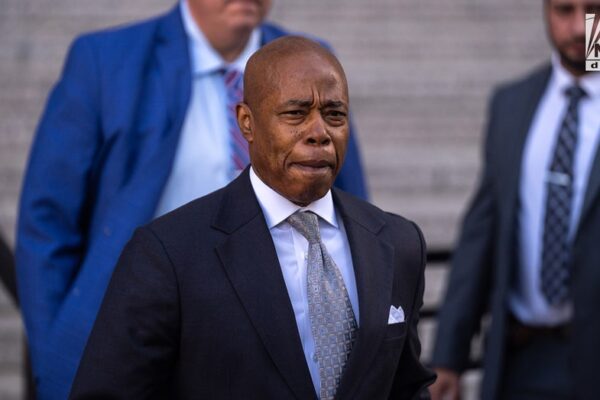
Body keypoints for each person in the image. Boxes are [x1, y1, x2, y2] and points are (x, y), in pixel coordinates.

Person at [16, 1, 367, 398]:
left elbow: (346, 204)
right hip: (142, 331)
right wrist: (55, 358)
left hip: (279, 337)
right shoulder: (106, 61)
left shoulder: (311, 65)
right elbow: (47, 222)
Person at [68, 36, 434, 400]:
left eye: (334, 114)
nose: (319, 133)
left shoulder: (398, 242)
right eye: (296, 113)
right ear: (247, 123)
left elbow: (407, 388)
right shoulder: (168, 254)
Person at [429, 1, 600, 399]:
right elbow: (482, 232)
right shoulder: (513, 104)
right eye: (564, 10)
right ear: (545, 11)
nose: (580, 28)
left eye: (594, 10)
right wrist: (449, 354)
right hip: (519, 359)